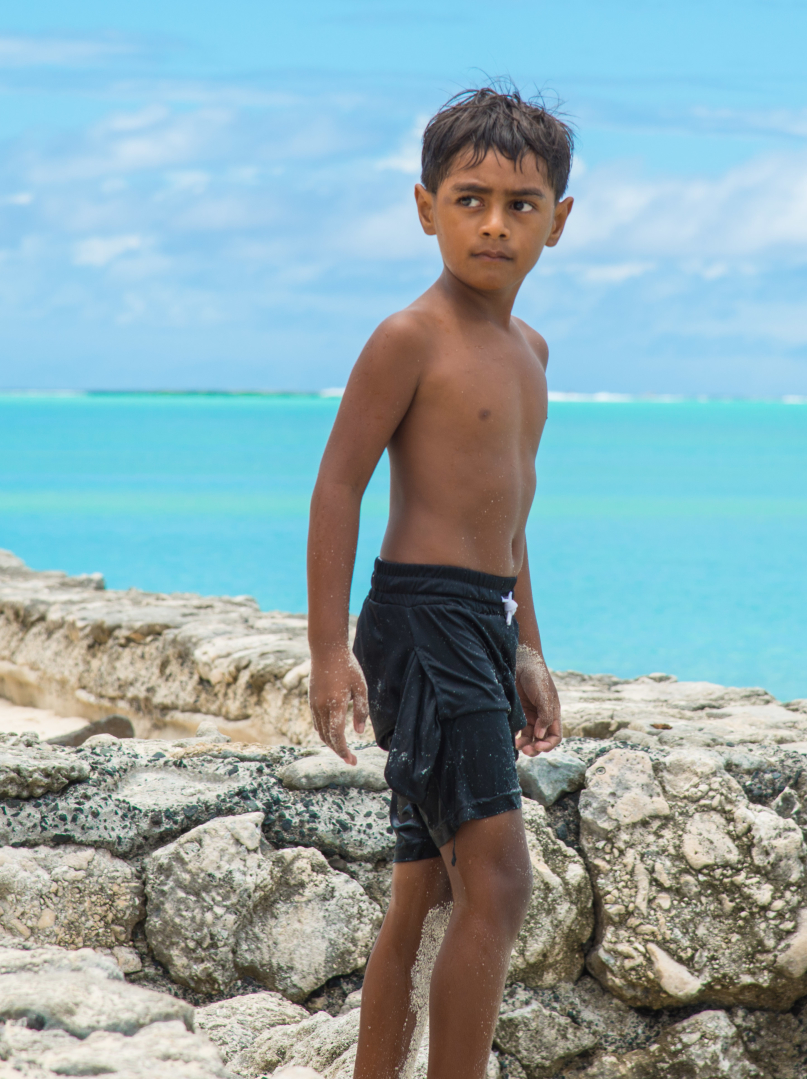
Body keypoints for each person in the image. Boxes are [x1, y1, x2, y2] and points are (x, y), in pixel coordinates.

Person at [305, 85, 576, 1079]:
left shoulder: (529, 353)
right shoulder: (408, 337)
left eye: (519, 204)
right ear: (425, 207)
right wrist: (327, 649)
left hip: (476, 622)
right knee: (498, 886)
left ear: (558, 220)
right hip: (417, 618)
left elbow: (509, 518)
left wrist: (528, 646)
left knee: (421, 893)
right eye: (468, 200)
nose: (493, 224)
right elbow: (337, 484)